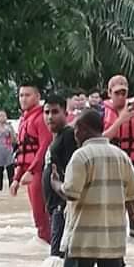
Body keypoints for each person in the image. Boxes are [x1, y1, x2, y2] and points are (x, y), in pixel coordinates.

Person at [50, 109, 134, 267]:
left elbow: (70, 193)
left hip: (83, 240)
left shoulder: (81, 157)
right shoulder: (121, 156)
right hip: (112, 240)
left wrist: (55, 183)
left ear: (84, 130)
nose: (75, 135)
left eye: (76, 129)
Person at [11, 84, 53, 243]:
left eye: (27, 95)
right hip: (30, 171)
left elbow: (44, 146)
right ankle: (46, 249)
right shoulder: (25, 119)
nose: (23, 99)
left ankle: (51, 252)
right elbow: (23, 152)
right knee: (38, 218)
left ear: (37, 96)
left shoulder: (41, 118)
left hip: (40, 172)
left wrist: (32, 170)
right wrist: (16, 178)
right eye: (21, 95)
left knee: (42, 216)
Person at [101, 75, 134, 189]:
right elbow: (99, 141)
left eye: (123, 93)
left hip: (133, 164)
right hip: (109, 164)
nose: (120, 96)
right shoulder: (101, 113)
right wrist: (120, 120)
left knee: (133, 203)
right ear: (109, 93)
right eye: (117, 93)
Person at [43, 92, 77, 257]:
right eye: (47, 112)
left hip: (61, 207)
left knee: (56, 258)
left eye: (55, 112)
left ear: (66, 113)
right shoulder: (57, 138)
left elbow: (73, 170)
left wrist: (64, 204)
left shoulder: (68, 136)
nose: (50, 117)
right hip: (55, 207)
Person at [0, 110, 17, 192]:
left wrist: (10, 132)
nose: (2, 117)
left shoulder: (10, 127)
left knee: (10, 171)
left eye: (4, 115)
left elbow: (14, 140)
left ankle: (12, 187)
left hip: (8, 151)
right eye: (0, 115)